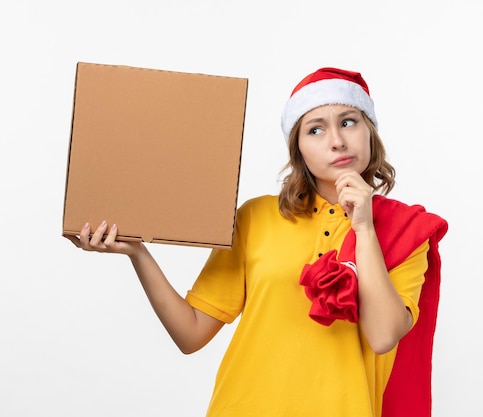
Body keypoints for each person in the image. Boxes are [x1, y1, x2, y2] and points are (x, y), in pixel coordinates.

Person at [65, 67, 448, 417]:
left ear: (370, 132)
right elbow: (191, 333)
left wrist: (364, 227)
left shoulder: (407, 231)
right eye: (315, 129)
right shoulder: (256, 217)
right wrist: (138, 253)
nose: (336, 140)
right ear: (298, 148)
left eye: (348, 122)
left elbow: (383, 337)